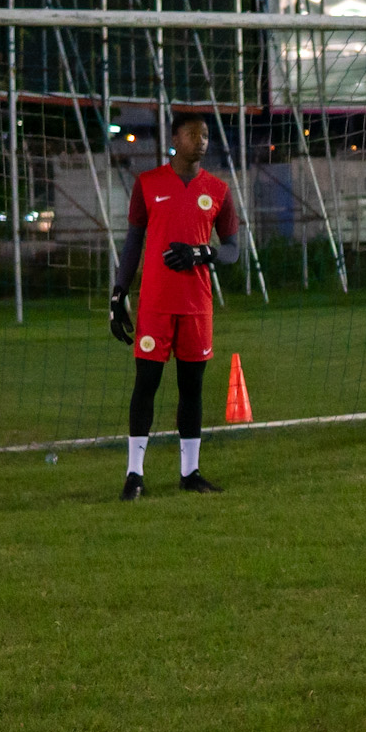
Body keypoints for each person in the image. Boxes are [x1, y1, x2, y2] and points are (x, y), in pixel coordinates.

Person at [110, 115, 239, 499]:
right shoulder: (147, 185)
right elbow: (133, 244)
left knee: (192, 388)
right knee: (145, 384)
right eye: (193, 134)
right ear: (175, 139)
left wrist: (204, 253)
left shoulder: (217, 190)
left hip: (196, 306)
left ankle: (190, 472)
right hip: (155, 305)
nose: (201, 141)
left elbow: (233, 250)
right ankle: (134, 475)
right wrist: (118, 294)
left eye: (206, 136)